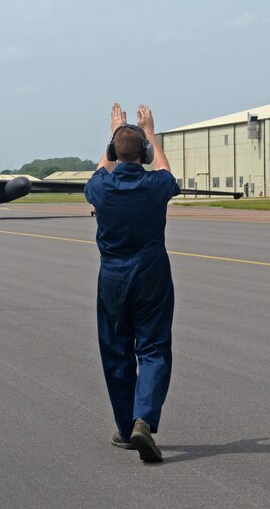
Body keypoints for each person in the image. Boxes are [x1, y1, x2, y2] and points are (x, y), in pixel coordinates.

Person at [83, 103, 181, 463]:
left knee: (116, 349)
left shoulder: (102, 187)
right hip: (151, 272)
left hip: (112, 275)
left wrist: (114, 133)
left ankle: (126, 429)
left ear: (112, 151)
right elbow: (166, 171)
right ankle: (144, 420)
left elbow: (100, 170)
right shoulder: (156, 185)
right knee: (153, 347)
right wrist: (151, 134)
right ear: (146, 153)